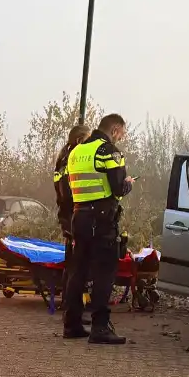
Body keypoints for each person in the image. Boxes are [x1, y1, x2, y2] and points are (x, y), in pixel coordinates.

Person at [63, 113, 133, 344]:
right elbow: (117, 190)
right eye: (121, 133)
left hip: (79, 216)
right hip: (102, 220)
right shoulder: (108, 151)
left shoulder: (76, 152)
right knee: (104, 271)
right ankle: (100, 328)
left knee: (78, 271)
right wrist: (128, 185)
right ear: (114, 129)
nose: (121, 138)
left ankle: (71, 324)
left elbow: (67, 187)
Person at [53, 124, 91, 323]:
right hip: (72, 217)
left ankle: (70, 308)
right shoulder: (70, 160)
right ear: (79, 140)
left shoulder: (64, 158)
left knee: (73, 264)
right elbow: (67, 192)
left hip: (68, 217)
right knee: (76, 266)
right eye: (87, 139)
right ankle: (71, 310)